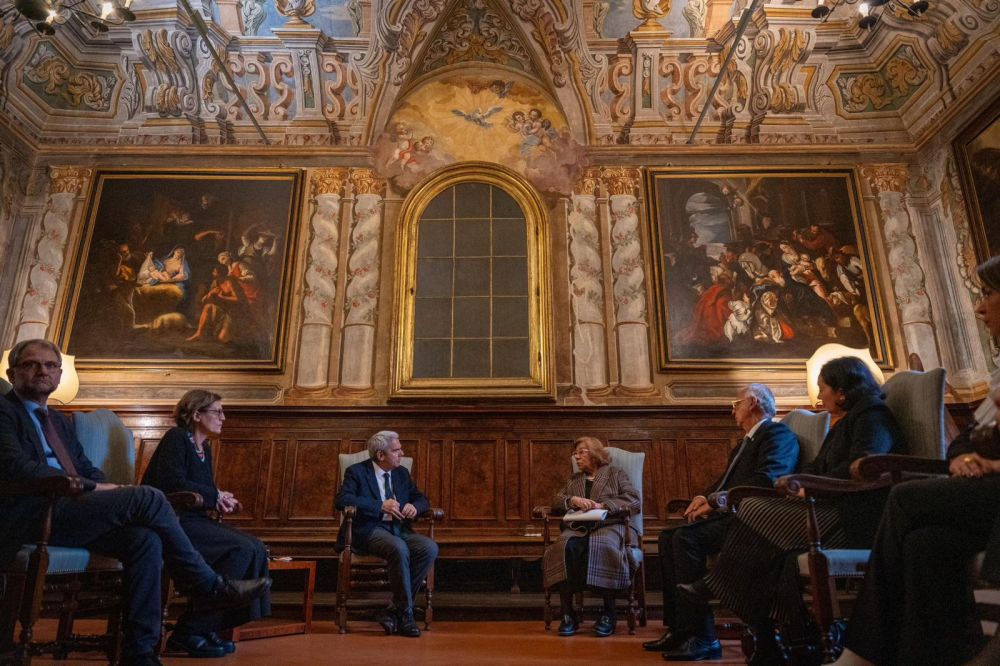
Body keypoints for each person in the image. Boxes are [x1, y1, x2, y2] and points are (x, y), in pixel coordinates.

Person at [0, 339, 271, 666]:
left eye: (50, 365)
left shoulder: (58, 420)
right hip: (32, 511)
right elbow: (16, 467)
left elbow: (84, 466)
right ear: (13, 373)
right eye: (32, 364)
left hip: (72, 511)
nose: (43, 370)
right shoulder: (5, 411)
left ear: (58, 374)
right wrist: (92, 488)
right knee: (149, 496)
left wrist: (101, 485)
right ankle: (205, 584)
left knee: (145, 539)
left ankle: (140, 652)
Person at [668, 355, 906, 663]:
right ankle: (771, 639)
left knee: (752, 509)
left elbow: (865, 467)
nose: (820, 395)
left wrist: (810, 484)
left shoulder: (873, 416)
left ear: (843, 391)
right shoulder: (846, 421)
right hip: (829, 508)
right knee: (773, 555)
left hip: (854, 517)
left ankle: (717, 588)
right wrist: (795, 480)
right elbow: (818, 465)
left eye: (824, 388)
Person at [833, 255, 1000, 666]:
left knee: (906, 498)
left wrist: (992, 465)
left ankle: (859, 654)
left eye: (988, 295)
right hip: (983, 490)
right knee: (926, 543)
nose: (979, 308)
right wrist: (965, 459)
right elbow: (965, 440)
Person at [642, 384, 800, 656]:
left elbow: (769, 479)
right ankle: (681, 629)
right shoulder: (745, 442)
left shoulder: (777, 434)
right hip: (734, 514)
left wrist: (716, 502)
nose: (733, 410)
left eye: (736, 404)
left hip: (756, 521)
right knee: (668, 537)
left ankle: (704, 637)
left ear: (752, 403)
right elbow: (724, 482)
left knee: (686, 539)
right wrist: (704, 496)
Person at [142, 389, 271, 658]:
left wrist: (219, 497)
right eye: (217, 412)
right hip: (172, 520)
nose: (223, 417)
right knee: (240, 549)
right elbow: (172, 483)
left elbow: (200, 487)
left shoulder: (204, 448)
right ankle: (190, 631)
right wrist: (214, 496)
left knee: (256, 547)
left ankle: (204, 628)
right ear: (196, 414)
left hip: (195, 519)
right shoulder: (176, 438)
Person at [334, 431, 438, 638]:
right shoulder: (357, 472)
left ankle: (393, 610)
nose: (402, 453)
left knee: (429, 548)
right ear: (381, 455)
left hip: (399, 529)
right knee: (398, 548)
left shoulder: (400, 473)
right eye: (397, 450)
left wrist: (414, 507)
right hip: (369, 531)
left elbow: (422, 499)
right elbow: (342, 500)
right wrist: (380, 505)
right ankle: (406, 615)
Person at [542, 437, 640, 638]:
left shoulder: (615, 474)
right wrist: (572, 499)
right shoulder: (574, 480)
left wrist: (602, 506)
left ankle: (609, 613)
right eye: (575, 453)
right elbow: (556, 500)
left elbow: (633, 499)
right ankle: (568, 614)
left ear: (594, 453)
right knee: (564, 546)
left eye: (581, 452)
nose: (576, 456)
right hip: (578, 528)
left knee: (603, 545)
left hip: (610, 525)